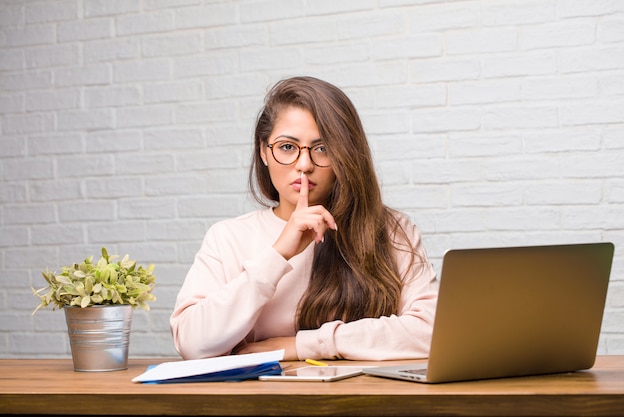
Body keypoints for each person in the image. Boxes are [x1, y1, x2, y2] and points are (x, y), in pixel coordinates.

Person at [169, 76, 438, 361]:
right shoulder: (229, 237)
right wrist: (278, 254)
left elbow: (432, 331)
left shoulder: (390, 230)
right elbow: (192, 344)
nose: (304, 164)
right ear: (263, 151)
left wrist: (301, 346)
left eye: (323, 149)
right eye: (287, 147)